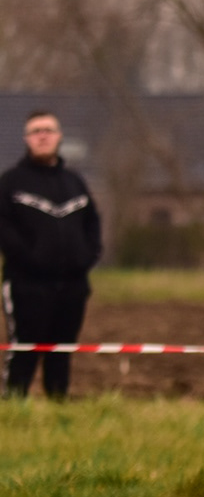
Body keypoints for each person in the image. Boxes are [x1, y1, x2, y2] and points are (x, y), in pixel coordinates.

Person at [0, 112, 102, 400]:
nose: (42, 136)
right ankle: (14, 408)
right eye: (36, 131)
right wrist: (31, 259)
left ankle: (58, 408)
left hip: (72, 286)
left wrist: (85, 258)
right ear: (27, 139)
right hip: (26, 286)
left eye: (48, 130)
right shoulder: (11, 183)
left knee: (62, 351)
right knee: (24, 350)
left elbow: (92, 223)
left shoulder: (75, 182)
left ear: (59, 136)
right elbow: (4, 229)